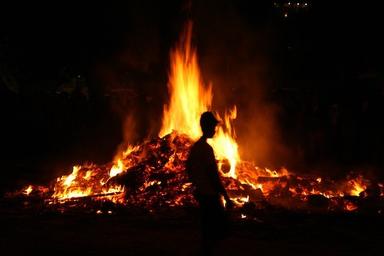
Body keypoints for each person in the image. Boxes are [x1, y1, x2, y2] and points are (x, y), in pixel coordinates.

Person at [186, 111, 234, 255]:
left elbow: (188, 168)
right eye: (213, 126)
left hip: (201, 194)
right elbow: (213, 176)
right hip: (210, 196)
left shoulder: (195, 148)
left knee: (207, 229)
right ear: (206, 127)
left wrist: (196, 185)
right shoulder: (206, 150)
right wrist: (225, 196)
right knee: (219, 229)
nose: (214, 129)